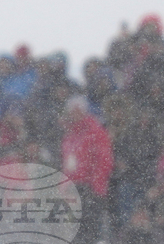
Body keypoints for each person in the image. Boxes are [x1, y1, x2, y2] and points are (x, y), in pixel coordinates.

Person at [61, 95, 114, 244]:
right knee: (75, 232)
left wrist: (95, 187)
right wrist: (64, 187)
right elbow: (67, 165)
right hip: (74, 190)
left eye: (77, 111)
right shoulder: (70, 135)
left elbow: (104, 161)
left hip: (90, 189)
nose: (73, 114)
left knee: (90, 232)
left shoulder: (95, 131)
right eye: (71, 111)